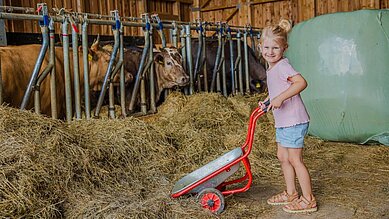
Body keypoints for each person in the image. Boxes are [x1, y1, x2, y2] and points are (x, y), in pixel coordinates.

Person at [258, 19, 318, 213]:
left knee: (294, 159)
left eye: (275, 47)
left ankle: (308, 199)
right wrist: (268, 101)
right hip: (283, 121)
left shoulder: (283, 65)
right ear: (260, 47)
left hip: (294, 120)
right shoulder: (272, 68)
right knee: (282, 156)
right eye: (266, 47)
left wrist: (281, 98)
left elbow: (301, 83)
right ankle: (291, 193)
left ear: (284, 47)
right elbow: (278, 89)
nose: (270, 51)